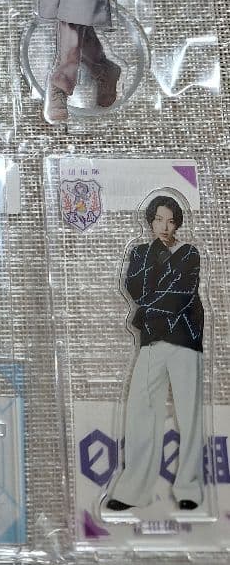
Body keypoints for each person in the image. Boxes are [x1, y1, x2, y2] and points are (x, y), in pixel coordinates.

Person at [105, 195, 204, 514]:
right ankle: (133, 489)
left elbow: (182, 293)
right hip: (152, 339)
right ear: (150, 220)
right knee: (140, 409)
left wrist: (146, 309)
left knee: (189, 412)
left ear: (178, 223)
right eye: (159, 219)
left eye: (170, 221)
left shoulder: (189, 252)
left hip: (185, 337)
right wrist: (154, 294)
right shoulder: (140, 253)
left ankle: (189, 487)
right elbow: (135, 288)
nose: (164, 226)